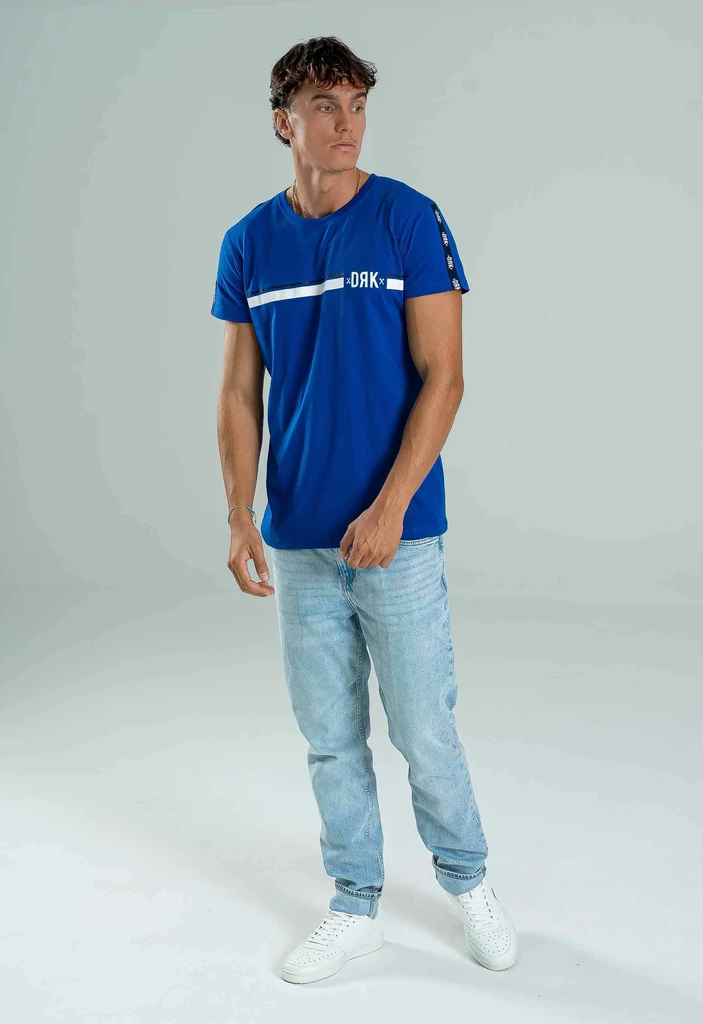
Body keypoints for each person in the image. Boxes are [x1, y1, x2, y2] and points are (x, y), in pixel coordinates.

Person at [211, 35, 518, 984]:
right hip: (301, 539)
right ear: (284, 123)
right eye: (324, 106)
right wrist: (238, 514)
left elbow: (445, 377)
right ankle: (355, 905)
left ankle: (469, 883)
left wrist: (389, 508)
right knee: (330, 740)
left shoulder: (407, 220)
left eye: (356, 105)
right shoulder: (249, 243)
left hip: (399, 536)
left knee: (424, 729)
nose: (346, 124)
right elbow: (238, 395)